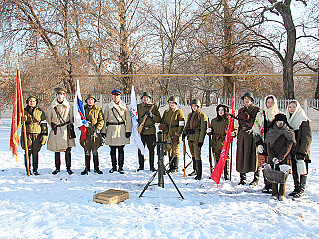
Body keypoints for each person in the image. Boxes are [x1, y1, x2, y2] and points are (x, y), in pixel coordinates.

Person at [251, 95, 280, 191]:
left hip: (275, 144)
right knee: (264, 164)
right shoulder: (260, 114)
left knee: (273, 164)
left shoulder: (278, 115)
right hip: (263, 143)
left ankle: (273, 185)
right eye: (268, 102)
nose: (270, 104)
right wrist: (258, 143)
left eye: (272, 102)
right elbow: (256, 129)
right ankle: (266, 184)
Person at [265, 113, 295, 201]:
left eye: (281, 121)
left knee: (282, 176)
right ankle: (274, 192)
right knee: (274, 175)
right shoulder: (271, 131)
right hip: (273, 157)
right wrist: (273, 157)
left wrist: (280, 157)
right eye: (277, 121)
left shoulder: (289, 132)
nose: (279, 123)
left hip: (284, 158)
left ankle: (282, 193)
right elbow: (268, 146)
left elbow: (288, 146)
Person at [101, 89, 132, 174]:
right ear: (112, 96)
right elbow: (104, 118)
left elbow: (128, 119)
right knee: (112, 149)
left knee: (121, 149)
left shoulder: (124, 107)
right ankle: (114, 167)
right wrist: (103, 131)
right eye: (114, 95)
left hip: (121, 128)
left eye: (117, 95)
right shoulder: (108, 106)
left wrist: (128, 130)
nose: (115, 97)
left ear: (120, 96)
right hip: (111, 128)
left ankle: (121, 167)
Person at [46, 87, 76, 175]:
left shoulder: (69, 106)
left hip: (66, 130)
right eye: (58, 95)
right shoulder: (52, 107)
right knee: (56, 150)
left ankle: (68, 168)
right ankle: (57, 168)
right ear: (56, 96)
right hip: (56, 130)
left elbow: (71, 118)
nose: (60, 96)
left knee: (68, 150)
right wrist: (53, 126)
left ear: (64, 96)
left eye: (62, 95)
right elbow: (48, 118)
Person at [286, 100, 312, 198]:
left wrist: (302, 152)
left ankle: (302, 189)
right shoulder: (289, 120)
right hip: (292, 149)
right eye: (290, 107)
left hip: (301, 150)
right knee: (295, 170)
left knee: (302, 169)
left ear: (297, 108)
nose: (291, 109)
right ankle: (296, 187)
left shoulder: (304, 120)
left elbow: (307, 138)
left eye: (293, 107)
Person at [236, 92, 261, 185]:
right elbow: (239, 124)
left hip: (252, 134)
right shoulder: (241, 110)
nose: (246, 100)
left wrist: (249, 119)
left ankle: (256, 178)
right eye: (245, 98)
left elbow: (259, 123)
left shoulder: (257, 110)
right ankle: (243, 177)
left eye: (248, 98)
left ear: (252, 100)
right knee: (242, 154)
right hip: (242, 133)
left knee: (254, 155)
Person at [209, 104, 237, 180]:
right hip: (215, 142)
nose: (220, 112)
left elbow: (234, 129)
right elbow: (211, 130)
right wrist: (208, 131)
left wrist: (234, 133)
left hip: (224, 142)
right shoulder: (214, 121)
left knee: (225, 158)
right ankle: (217, 173)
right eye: (219, 110)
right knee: (217, 157)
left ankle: (226, 174)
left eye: (222, 110)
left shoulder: (229, 121)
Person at [20, 96, 47, 175]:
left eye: (33, 101)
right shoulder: (23, 111)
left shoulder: (40, 112)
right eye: (30, 101)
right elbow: (18, 123)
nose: (32, 102)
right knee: (27, 151)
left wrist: (44, 134)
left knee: (35, 152)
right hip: (26, 133)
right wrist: (21, 119)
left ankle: (35, 169)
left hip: (37, 133)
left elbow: (44, 124)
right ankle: (28, 169)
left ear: (36, 102)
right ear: (27, 102)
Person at [182, 99, 207, 180]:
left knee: (197, 155)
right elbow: (187, 125)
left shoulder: (202, 115)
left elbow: (203, 129)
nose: (194, 107)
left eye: (195, 106)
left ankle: (199, 173)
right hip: (190, 137)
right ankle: (195, 170)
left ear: (198, 106)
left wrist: (201, 140)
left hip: (197, 137)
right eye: (192, 106)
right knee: (193, 154)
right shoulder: (190, 115)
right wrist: (184, 133)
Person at [80, 94, 104, 175]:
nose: (90, 101)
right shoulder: (83, 109)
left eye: (92, 99)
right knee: (87, 150)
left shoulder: (98, 109)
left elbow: (101, 120)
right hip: (86, 132)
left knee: (95, 150)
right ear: (86, 101)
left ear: (94, 101)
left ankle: (96, 168)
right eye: (88, 99)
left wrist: (97, 129)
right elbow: (79, 118)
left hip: (95, 133)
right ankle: (87, 168)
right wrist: (83, 124)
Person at [159, 96, 185, 173]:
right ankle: (170, 166)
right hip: (167, 134)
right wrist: (162, 126)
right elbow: (162, 121)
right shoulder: (166, 112)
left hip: (175, 134)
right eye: (170, 103)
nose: (171, 104)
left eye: (173, 103)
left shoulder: (179, 112)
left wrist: (177, 134)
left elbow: (181, 124)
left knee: (175, 150)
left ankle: (175, 167)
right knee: (169, 150)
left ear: (176, 103)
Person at [137, 92, 161, 172]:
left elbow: (159, 119)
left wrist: (151, 115)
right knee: (140, 149)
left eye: (147, 98)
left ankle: (152, 166)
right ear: (142, 99)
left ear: (150, 99)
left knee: (151, 150)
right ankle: (141, 166)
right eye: (144, 97)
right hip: (141, 131)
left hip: (151, 131)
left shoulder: (153, 107)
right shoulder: (138, 107)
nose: (145, 99)